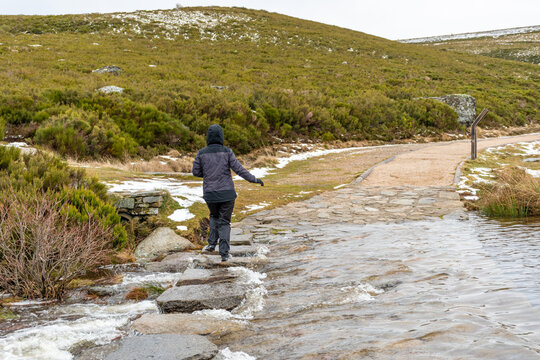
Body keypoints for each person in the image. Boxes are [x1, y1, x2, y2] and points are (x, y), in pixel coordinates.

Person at [192, 124, 264, 262]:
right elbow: (239, 170)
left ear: (208, 137)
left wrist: (208, 174)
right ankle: (224, 254)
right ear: (221, 137)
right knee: (224, 221)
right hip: (227, 194)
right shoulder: (227, 151)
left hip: (210, 193)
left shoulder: (201, 153)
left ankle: (211, 245)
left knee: (213, 216)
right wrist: (254, 180)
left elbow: (196, 172)